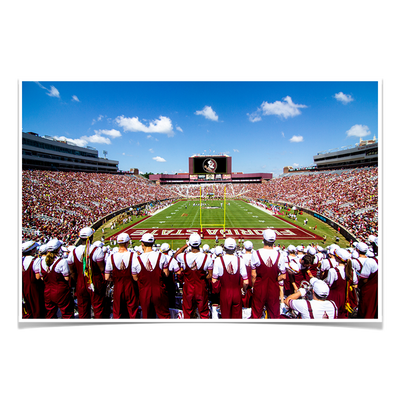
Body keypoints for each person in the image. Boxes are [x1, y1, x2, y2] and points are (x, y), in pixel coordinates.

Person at [68, 227, 106, 318]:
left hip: (80, 282)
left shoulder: (73, 252)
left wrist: (75, 283)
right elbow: (102, 269)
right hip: (94, 281)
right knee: (98, 308)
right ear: (91, 237)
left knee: (83, 310)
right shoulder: (97, 250)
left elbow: (72, 271)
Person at [174, 233, 213, 319]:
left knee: (187, 313)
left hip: (188, 288)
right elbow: (210, 276)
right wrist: (202, 278)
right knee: (204, 313)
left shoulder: (184, 256)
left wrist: (186, 245)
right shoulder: (207, 257)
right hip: (201, 287)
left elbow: (175, 255)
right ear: (200, 243)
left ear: (190, 244)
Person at [131, 233, 170, 318]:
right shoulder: (161, 256)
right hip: (159, 290)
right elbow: (166, 274)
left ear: (142, 244)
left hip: (144, 291)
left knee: (147, 317)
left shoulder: (136, 259)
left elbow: (135, 278)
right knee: (164, 316)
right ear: (153, 242)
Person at [251, 229, 286, 319]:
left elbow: (253, 275)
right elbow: (283, 275)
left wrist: (254, 286)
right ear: (274, 240)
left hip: (260, 286)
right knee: (274, 314)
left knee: (256, 314)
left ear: (263, 239)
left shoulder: (256, 253)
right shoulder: (279, 255)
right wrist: (273, 279)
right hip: (273, 287)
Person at [105, 232, 139, 319]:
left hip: (118, 286)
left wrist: (116, 279)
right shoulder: (133, 255)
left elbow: (107, 277)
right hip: (130, 286)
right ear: (128, 242)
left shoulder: (111, 257)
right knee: (132, 312)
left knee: (117, 312)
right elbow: (135, 275)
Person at [212, 238, 248, 318]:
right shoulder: (240, 260)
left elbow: (214, 280)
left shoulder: (218, 260)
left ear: (224, 247)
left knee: (226, 318)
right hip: (237, 292)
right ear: (235, 248)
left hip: (224, 293)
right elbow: (246, 281)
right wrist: (244, 290)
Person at [40, 239, 74, 318]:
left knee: (50, 314)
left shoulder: (41, 261)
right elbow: (66, 278)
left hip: (47, 291)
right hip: (60, 290)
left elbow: (42, 278)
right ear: (58, 249)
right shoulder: (62, 261)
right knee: (67, 313)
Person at [22, 241, 45, 318]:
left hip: (24, 287)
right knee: (38, 308)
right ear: (32, 250)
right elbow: (38, 277)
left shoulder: (21, 260)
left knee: (28, 308)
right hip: (35, 287)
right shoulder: (35, 260)